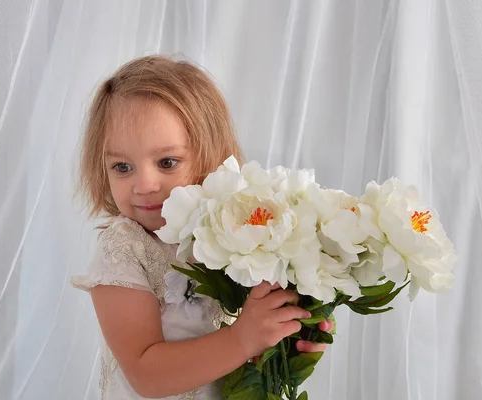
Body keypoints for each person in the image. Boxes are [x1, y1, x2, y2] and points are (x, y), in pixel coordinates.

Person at [71, 55, 332, 399]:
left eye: (167, 162)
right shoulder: (124, 248)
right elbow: (146, 375)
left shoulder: (232, 236)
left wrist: (284, 338)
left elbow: (242, 350)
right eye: (122, 167)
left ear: (210, 155)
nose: (144, 184)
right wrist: (243, 338)